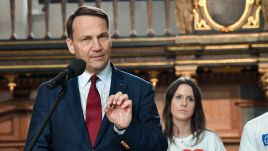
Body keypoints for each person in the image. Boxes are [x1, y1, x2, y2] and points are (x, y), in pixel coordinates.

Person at [24, 5, 167, 151]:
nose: (97, 46)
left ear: (110, 39)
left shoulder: (139, 89)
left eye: (102, 36)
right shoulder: (51, 92)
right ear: (71, 45)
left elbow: (159, 147)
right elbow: (36, 147)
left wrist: (126, 128)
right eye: (86, 39)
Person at [162, 77, 226, 151]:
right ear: (169, 103)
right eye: (178, 97)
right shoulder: (158, 141)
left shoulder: (211, 139)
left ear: (196, 105)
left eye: (190, 99)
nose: (184, 103)